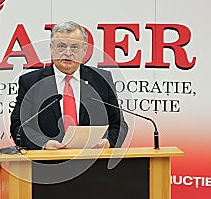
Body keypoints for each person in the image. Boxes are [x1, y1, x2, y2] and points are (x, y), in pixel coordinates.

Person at [10, 21, 128, 150]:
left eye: (74, 47)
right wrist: (43, 144)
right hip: (46, 164)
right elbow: (19, 126)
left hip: (95, 162)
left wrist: (108, 142)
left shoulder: (101, 80)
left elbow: (119, 124)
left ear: (84, 50)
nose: (68, 53)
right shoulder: (31, 82)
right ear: (51, 48)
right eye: (61, 46)